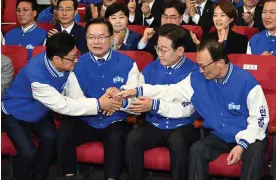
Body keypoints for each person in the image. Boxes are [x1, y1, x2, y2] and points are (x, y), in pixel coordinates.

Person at [117, 40, 269, 180]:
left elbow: (260, 120)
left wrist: (242, 144)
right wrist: (137, 91)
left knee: (255, 152)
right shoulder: (195, 79)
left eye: (204, 66)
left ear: (221, 62)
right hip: (220, 135)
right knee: (197, 149)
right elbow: (169, 91)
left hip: (248, 135)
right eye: (198, 65)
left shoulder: (246, 81)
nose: (201, 70)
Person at [1, 32, 120, 180]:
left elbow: (76, 97)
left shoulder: (64, 65)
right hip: (14, 114)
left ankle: (40, 176)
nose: (76, 60)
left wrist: (101, 104)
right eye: (73, 57)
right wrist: (99, 104)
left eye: (76, 55)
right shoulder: (37, 77)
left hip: (38, 113)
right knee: (28, 152)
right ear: (57, 58)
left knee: (51, 138)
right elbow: (63, 105)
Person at [57, 18, 140, 180]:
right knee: (64, 133)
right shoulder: (76, 64)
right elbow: (75, 99)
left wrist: (119, 102)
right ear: (85, 39)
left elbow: (135, 100)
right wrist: (101, 104)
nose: (96, 42)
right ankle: (69, 176)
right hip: (85, 120)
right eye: (91, 37)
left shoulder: (128, 64)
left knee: (116, 137)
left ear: (111, 38)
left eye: (101, 37)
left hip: (115, 120)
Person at [125, 24, 200, 180]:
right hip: (154, 123)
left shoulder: (194, 72)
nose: (159, 54)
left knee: (178, 142)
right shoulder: (150, 69)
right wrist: (120, 97)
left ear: (180, 51)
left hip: (183, 125)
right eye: (157, 48)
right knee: (133, 138)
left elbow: (187, 108)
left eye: (164, 50)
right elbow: (136, 96)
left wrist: (154, 104)